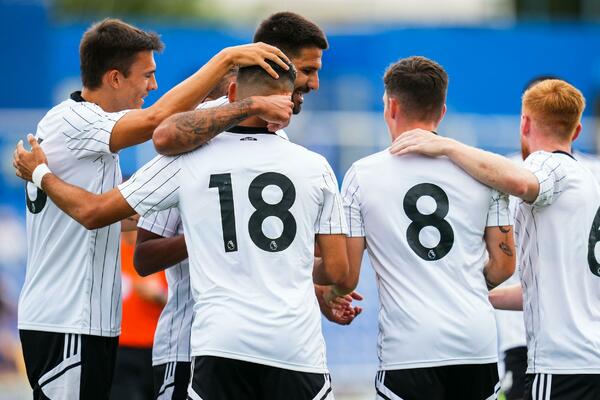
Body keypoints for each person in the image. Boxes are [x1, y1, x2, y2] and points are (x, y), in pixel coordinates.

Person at [14, 60, 355, 399]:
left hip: (220, 344)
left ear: (231, 93)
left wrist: (41, 174)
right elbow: (340, 272)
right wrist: (299, 269)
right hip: (296, 347)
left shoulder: (189, 158)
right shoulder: (316, 167)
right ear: (287, 101)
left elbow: (96, 211)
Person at [391, 79, 600, 399]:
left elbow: (521, 183)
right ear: (577, 130)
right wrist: (474, 295)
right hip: (590, 360)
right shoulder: (589, 181)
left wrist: (448, 146)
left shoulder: (548, 163)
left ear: (525, 123)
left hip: (564, 365)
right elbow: (547, 291)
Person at [341, 56, 515, 400]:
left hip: (410, 347)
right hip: (475, 343)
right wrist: (460, 284)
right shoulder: (483, 172)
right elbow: (504, 264)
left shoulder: (362, 174)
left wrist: (328, 291)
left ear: (391, 106)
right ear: (443, 111)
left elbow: (346, 272)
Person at [110, 229, 167, 400]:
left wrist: (158, 295)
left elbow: (183, 300)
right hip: (120, 348)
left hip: (155, 348)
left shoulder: (158, 253)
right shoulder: (111, 252)